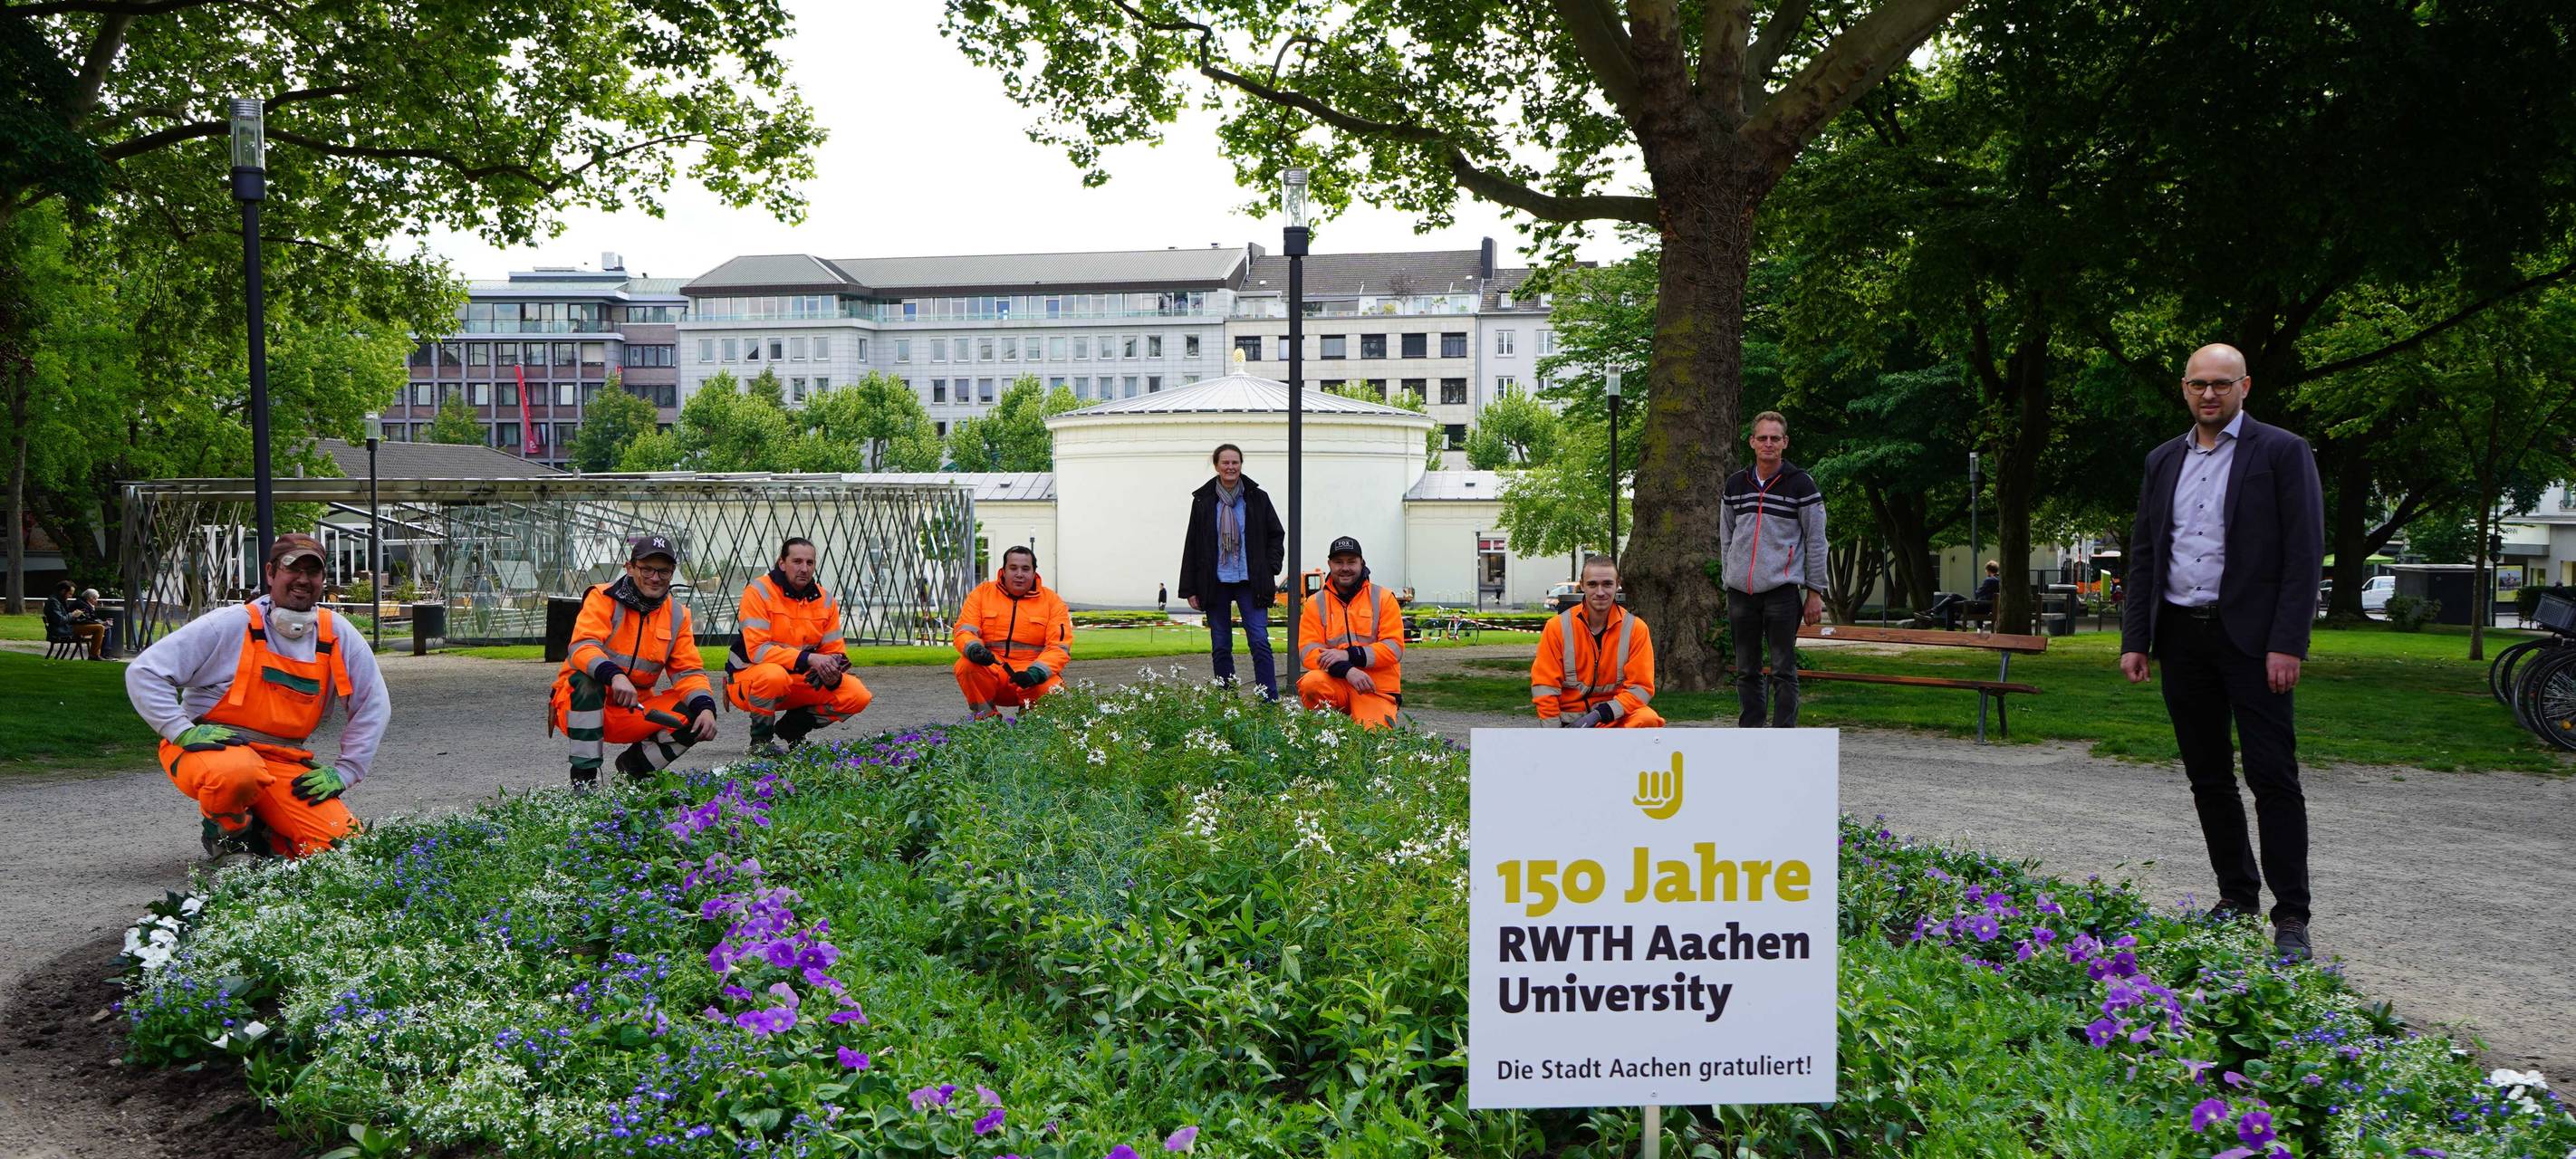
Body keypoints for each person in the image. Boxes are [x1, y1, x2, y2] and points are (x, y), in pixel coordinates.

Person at [2119, 342, 2323, 961]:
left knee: (2272, 777)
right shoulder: (2162, 460)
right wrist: (2137, 639)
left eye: (2222, 384)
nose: (2210, 394)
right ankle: (2236, 897)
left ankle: (2291, 917)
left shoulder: (2282, 452)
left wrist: (2287, 643)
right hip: (2182, 636)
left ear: (2245, 387)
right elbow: (2147, 553)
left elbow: (2303, 555)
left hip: (2256, 644)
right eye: (2199, 384)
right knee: (2208, 776)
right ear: (2184, 388)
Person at [125, 533, 386, 858]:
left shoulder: (337, 633)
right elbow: (145, 671)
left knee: (342, 849)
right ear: (271, 573)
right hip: (215, 750)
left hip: (283, 760)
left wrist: (347, 770)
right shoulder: (229, 624)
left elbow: (372, 705)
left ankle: (264, 834)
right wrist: (180, 729)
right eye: (293, 569)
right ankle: (228, 836)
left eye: (313, 572)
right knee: (237, 774)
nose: (303, 580)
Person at [552, 534, 718, 785]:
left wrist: (706, 707)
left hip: (634, 709)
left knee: (696, 709)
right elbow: (583, 646)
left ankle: (635, 768)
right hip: (580, 707)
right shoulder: (602, 597)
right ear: (629, 568)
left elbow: (688, 671)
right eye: (647, 569)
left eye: (663, 571)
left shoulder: (677, 615)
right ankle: (583, 782)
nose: (655, 577)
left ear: (672, 573)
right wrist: (614, 675)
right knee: (586, 680)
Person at [1717, 410, 1828, 727]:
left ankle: (1783, 736)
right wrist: (1729, 577)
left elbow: (1816, 540)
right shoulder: (1736, 483)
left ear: (1785, 442)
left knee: (1782, 668)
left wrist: (1815, 591)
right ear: (1752, 442)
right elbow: (1727, 535)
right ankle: (1751, 733)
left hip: (1781, 590)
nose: (1768, 443)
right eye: (1762, 438)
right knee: (1746, 669)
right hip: (1740, 592)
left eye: (1774, 438)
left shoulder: (1801, 484)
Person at [726, 537, 872, 756]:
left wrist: (833, 671)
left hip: (795, 680)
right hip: (749, 679)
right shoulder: (758, 591)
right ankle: (761, 742)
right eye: (797, 561)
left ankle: (791, 729)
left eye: (810, 563)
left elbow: (835, 651)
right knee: (773, 675)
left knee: (857, 693)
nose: (804, 568)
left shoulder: (825, 600)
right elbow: (757, 650)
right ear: (781, 563)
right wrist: (809, 660)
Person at [1177, 443, 1286, 698]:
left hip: (1252, 581)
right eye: (1225, 462)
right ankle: (1227, 700)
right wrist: (1190, 588)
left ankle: (1268, 700)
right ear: (1216, 466)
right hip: (1215, 583)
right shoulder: (1203, 501)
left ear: (1241, 465)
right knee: (1221, 646)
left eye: (1235, 462)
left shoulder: (1258, 498)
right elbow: (1192, 544)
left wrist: (1270, 567)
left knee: (1259, 641)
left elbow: (1276, 535)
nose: (1230, 467)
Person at [1531, 555, 1662, 728]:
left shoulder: (1636, 629)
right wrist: (1554, 735)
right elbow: (1545, 686)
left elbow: (1640, 688)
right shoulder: (1557, 627)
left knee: (1648, 719)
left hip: (1612, 717)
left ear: (1617, 584)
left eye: (1607, 584)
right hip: (1569, 720)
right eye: (1593, 584)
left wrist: (1600, 714)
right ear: (1582, 585)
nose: (1600, 592)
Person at [954, 545, 1074, 720]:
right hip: (993, 668)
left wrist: (1035, 673)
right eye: (1013, 568)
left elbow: (1059, 647)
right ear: (1003, 571)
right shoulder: (981, 593)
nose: (1019, 574)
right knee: (966, 666)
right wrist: (974, 649)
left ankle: (1031, 725)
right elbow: (965, 631)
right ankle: (987, 722)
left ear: (1034, 572)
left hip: (1031, 674)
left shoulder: (1052, 602)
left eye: (1025, 569)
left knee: (1052, 687)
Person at [1295, 536, 1405, 728]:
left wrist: (1348, 655)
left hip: (1375, 688)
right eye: (1338, 562)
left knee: (1374, 746)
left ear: (1362, 563)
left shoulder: (1383, 598)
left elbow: (1393, 648)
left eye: (1351, 562)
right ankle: (1325, 735)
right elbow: (1308, 652)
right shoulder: (1315, 603)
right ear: (1329, 564)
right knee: (1311, 682)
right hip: (1337, 681)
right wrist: (1347, 670)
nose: (1345, 568)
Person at [45, 580, 107, 660]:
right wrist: (73, 614)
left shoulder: (58, 600)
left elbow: (64, 617)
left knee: (99, 627)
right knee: (99, 628)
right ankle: (94, 655)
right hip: (62, 630)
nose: (71, 596)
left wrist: (78, 616)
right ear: (63, 591)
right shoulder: (53, 602)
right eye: (70, 594)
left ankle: (94, 655)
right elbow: (60, 620)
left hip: (66, 627)